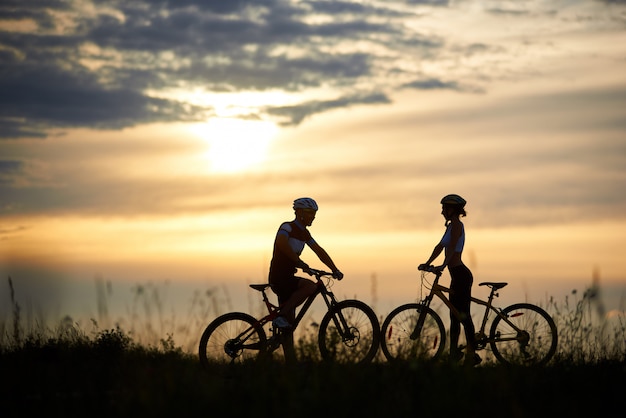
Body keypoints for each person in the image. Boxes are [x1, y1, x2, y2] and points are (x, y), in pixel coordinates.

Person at [268, 197, 343, 363]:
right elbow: (281, 243)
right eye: (310, 213)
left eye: (314, 213)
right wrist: (299, 262)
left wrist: (334, 269)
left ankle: (291, 364)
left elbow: (319, 251)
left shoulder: (304, 233)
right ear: (299, 212)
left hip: (288, 278)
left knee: (288, 326)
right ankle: (282, 315)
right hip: (279, 277)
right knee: (310, 286)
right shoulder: (287, 227)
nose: (313, 216)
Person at [419, 194, 481, 366]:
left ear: (452, 209)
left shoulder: (457, 226)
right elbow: (440, 246)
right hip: (455, 274)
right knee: (454, 316)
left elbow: (453, 247)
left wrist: (442, 265)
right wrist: (428, 263)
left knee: (463, 315)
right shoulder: (450, 227)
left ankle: (471, 353)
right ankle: (453, 354)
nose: (442, 212)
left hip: (461, 275)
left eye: (444, 208)